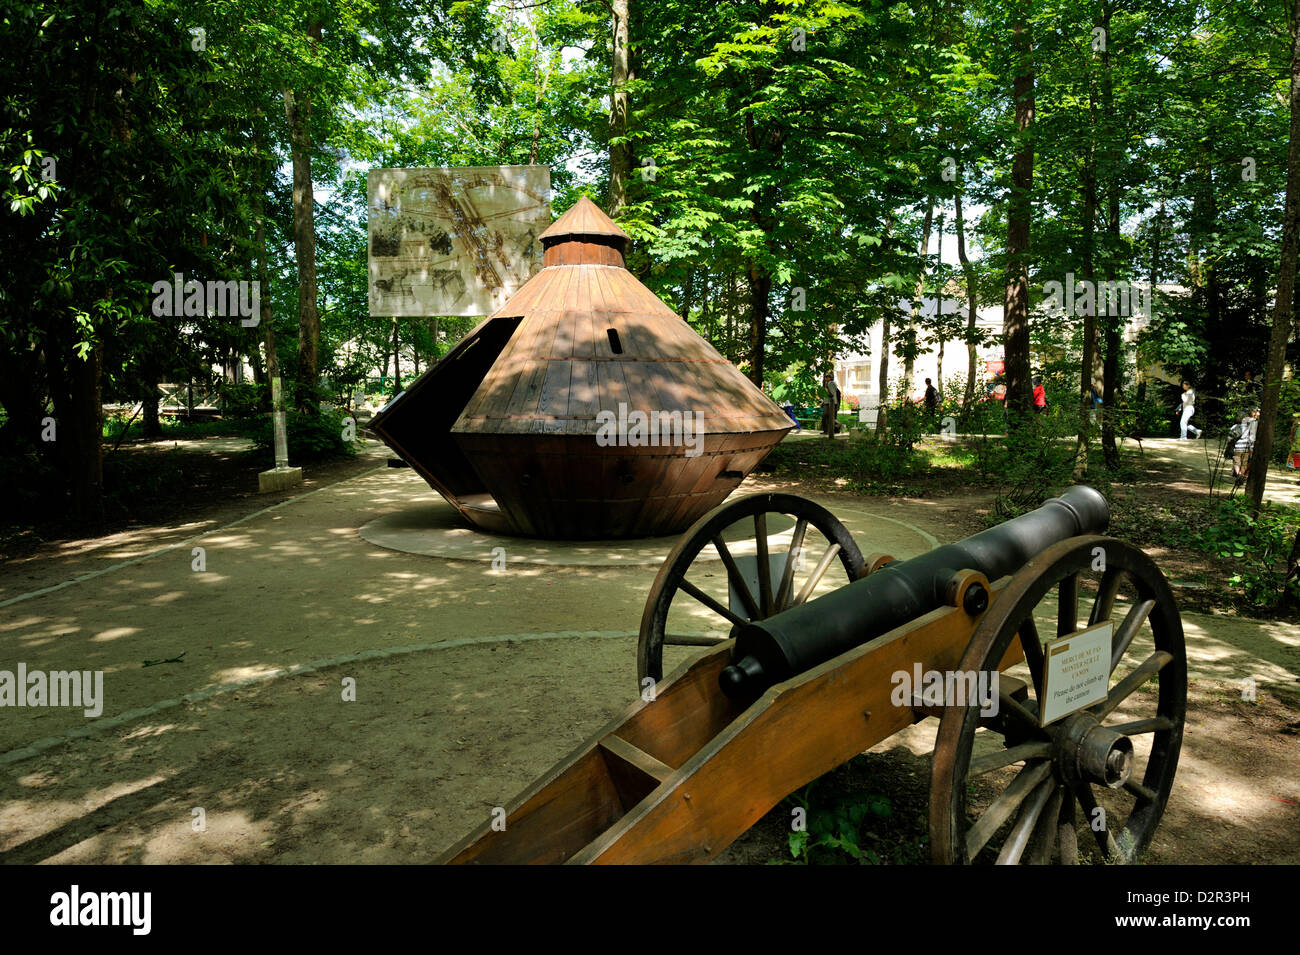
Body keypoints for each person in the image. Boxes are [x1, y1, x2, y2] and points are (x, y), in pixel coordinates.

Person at [1232, 406, 1260, 485]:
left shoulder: (1244, 420)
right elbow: (1252, 436)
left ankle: (1239, 476)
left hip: (1238, 444)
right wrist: (1252, 447)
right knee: (1244, 463)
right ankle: (1241, 476)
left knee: (1236, 462)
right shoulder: (1254, 422)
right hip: (1247, 446)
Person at [821, 372, 842, 439]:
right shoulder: (827, 384)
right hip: (827, 402)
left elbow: (831, 393)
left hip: (830, 403)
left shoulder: (831, 383)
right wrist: (823, 402)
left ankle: (837, 426)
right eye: (825, 377)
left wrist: (826, 390)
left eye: (828, 377)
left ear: (830, 378)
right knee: (827, 417)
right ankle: (827, 430)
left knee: (828, 416)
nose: (826, 378)